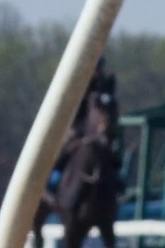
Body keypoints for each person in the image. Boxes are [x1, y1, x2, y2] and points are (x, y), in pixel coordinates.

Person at [49, 57, 117, 194]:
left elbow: (109, 107)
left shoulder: (105, 84)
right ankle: (53, 176)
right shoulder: (77, 84)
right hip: (77, 126)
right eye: (93, 68)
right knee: (66, 145)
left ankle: (115, 178)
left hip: (98, 130)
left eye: (98, 68)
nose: (96, 71)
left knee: (109, 150)